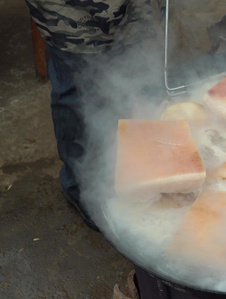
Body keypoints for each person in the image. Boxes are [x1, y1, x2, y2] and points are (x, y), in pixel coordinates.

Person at [26, 0, 162, 231]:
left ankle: (128, 173)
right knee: (74, 95)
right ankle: (81, 188)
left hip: (129, 9)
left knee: (128, 83)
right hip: (70, 14)